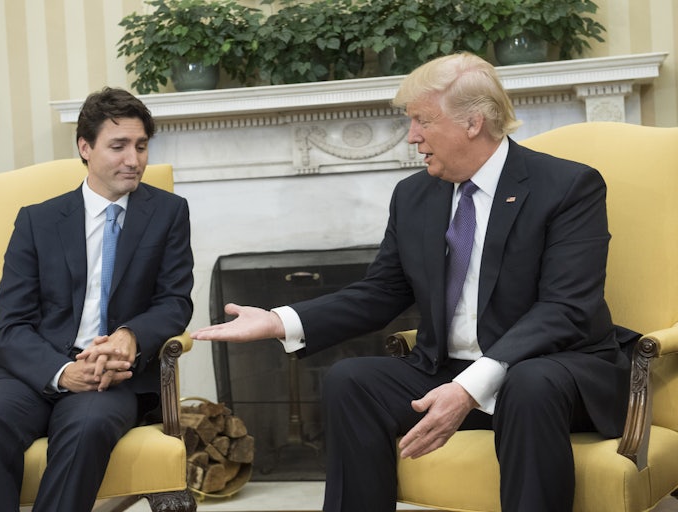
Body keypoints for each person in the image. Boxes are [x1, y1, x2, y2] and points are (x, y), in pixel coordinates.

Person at [193, 52, 633, 512]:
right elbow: (382, 291)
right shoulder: (414, 195)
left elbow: (565, 308)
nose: (412, 136)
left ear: (473, 123)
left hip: (551, 370)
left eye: (423, 120)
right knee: (351, 381)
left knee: (528, 382)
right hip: (448, 368)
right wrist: (279, 321)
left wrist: (469, 388)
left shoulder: (567, 186)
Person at [0, 87, 194, 512]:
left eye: (141, 146)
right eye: (118, 146)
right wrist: (62, 372)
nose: (134, 159)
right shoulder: (37, 220)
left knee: (87, 427)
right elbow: (10, 325)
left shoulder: (169, 213)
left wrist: (130, 336)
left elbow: (175, 301)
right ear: (85, 147)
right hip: (27, 371)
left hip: (112, 375)